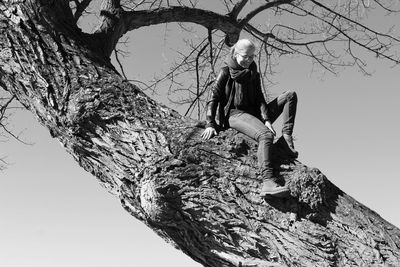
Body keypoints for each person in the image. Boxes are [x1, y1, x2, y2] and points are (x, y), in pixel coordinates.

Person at [201, 39, 298, 198]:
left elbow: (260, 99)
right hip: (234, 115)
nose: (249, 60)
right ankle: (268, 182)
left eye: (252, 57)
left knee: (289, 96)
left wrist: (266, 119)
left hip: (254, 115)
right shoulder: (225, 71)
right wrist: (210, 123)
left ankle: (286, 138)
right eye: (245, 56)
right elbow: (214, 98)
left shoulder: (253, 73)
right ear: (235, 53)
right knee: (266, 135)